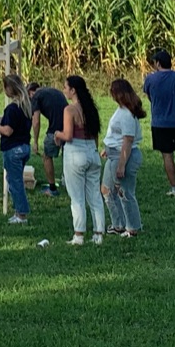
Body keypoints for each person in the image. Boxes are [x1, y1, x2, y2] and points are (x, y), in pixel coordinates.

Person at [57, 75, 107, 245]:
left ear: (73, 90)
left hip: (75, 152)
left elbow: (68, 135)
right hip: (91, 151)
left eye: (66, 87)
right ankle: (98, 233)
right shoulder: (91, 109)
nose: (64, 90)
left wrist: (57, 134)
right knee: (94, 195)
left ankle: (79, 235)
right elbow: (96, 135)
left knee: (76, 196)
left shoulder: (69, 110)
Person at [142, 48, 175, 196]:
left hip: (160, 124)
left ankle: (174, 188)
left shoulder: (150, 79)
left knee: (167, 155)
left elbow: (149, 96)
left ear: (158, 63)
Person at [0, 74, 34, 224]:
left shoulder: (12, 108)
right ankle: (18, 211)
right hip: (24, 146)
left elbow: (8, 131)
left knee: (15, 182)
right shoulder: (26, 106)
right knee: (14, 179)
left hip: (13, 149)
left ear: (9, 89)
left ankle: (22, 214)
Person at [102, 78, 144, 237]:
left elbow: (128, 140)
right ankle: (118, 223)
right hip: (113, 154)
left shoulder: (127, 114)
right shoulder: (121, 110)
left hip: (123, 156)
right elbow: (117, 135)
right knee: (107, 190)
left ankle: (132, 227)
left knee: (124, 192)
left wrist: (121, 165)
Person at [30, 79, 68, 197]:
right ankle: (67, 182)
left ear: (31, 92)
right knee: (67, 156)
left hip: (56, 131)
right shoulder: (52, 91)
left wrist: (35, 142)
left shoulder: (35, 96)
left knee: (47, 156)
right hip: (69, 127)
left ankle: (52, 189)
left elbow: (36, 122)